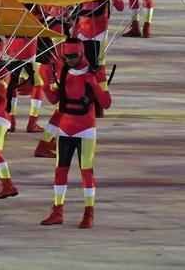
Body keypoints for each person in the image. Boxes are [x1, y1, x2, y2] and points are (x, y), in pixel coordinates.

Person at [39, 38, 112, 228]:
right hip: (65, 129)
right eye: (66, 56)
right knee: (60, 171)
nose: (69, 60)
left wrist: (95, 84)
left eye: (73, 56)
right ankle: (57, 210)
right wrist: (46, 82)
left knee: (86, 171)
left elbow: (106, 103)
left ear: (81, 53)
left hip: (86, 130)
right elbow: (55, 99)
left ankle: (89, 213)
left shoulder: (96, 72)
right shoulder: (63, 71)